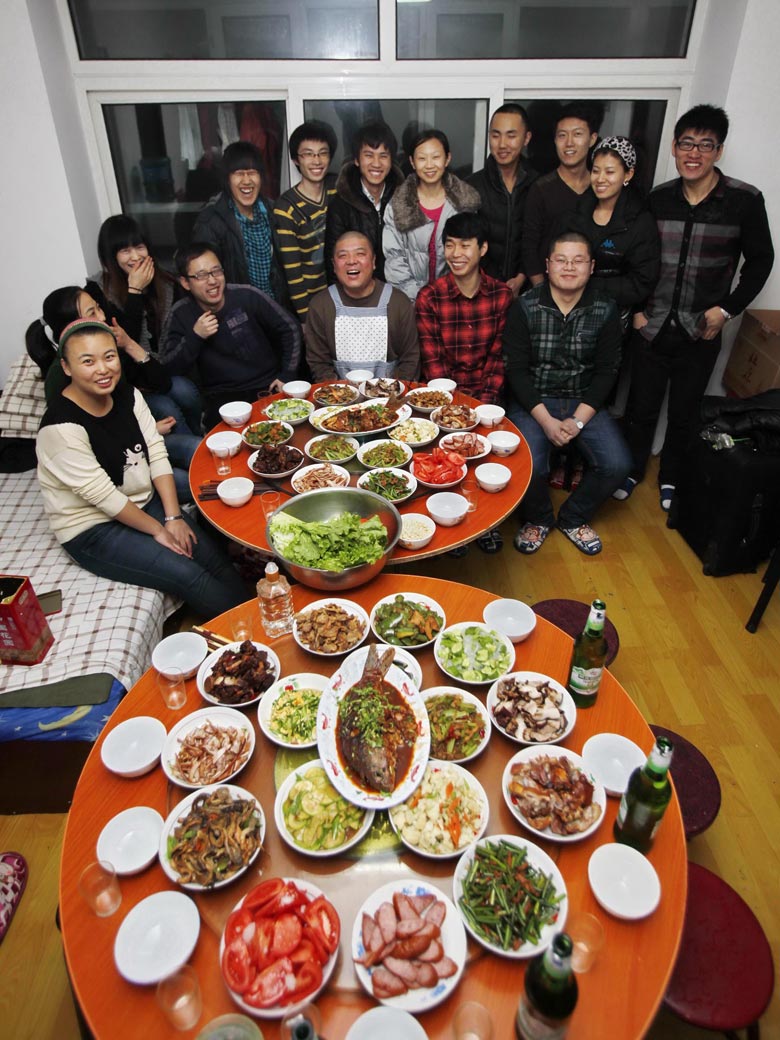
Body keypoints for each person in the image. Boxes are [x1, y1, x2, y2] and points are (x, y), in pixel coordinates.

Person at [36, 319, 247, 618]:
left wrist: (174, 517)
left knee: (212, 557)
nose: (102, 369)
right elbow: (105, 498)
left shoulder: (128, 394)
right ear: (67, 367)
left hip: (142, 502)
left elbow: (156, 452)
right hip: (93, 528)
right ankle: (251, 638)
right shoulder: (60, 428)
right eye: (88, 361)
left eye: (109, 357)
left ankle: (262, 621)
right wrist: (158, 530)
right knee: (187, 573)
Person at [620, 104, 774, 511]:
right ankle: (633, 470)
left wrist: (726, 310)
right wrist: (637, 309)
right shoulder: (658, 199)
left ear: (718, 151)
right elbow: (638, 257)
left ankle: (671, 477)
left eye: (705, 145)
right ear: (674, 146)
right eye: (687, 143)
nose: (694, 153)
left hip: (700, 328)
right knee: (640, 408)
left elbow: (761, 261)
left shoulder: (743, 201)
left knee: (686, 411)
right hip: (651, 325)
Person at [504, 232, 631, 556]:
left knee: (617, 464)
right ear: (548, 265)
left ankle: (574, 517)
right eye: (561, 260)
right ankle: (538, 519)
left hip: (583, 400)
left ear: (591, 267)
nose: (569, 267)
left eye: (578, 261)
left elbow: (607, 372)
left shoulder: (605, 309)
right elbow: (516, 371)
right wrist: (547, 421)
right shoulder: (525, 306)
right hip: (535, 401)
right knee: (526, 463)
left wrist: (577, 421)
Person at [29, 286, 200, 504]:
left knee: (199, 449)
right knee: (191, 481)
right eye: (92, 313)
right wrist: (150, 433)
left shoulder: (108, 351)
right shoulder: (59, 381)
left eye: (98, 308)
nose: (102, 316)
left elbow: (155, 385)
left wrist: (128, 344)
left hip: (137, 443)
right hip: (116, 465)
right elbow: (91, 443)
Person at [416, 211, 514, 555]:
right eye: (450, 245)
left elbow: (500, 358)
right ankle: (449, 517)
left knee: (487, 455)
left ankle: (485, 523)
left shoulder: (501, 295)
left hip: (487, 399)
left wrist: (480, 410)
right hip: (443, 402)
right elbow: (434, 365)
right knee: (444, 460)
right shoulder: (430, 297)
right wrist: (452, 414)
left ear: (483, 248)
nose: (456, 253)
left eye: (465, 245)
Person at [161, 243, 301, 429]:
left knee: (284, 434)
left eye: (216, 271)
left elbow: (290, 328)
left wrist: (287, 374)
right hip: (222, 398)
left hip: (267, 386)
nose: (212, 281)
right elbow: (166, 366)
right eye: (202, 275)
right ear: (186, 282)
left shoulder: (246, 295)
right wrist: (195, 336)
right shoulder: (181, 313)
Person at [93, 215, 202, 437]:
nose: (135, 256)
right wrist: (134, 292)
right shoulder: (98, 292)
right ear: (110, 256)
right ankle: (191, 454)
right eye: (125, 251)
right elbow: (120, 343)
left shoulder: (167, 284)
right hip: (130, 381)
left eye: (139, 247)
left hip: (163, 371)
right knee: (167, 409)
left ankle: (199, 437)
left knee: (187, 392)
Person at [567, 136, 660, 325]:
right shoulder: (578, 211)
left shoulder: (640, 222)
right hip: (571, 309)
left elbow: (642, 280)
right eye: (595, 171)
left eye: (609, 172)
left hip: (613, 316)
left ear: (628, 175)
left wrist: (587, 285)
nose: (600, 179)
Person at [305, 231, 420, 382]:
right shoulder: (320, 305)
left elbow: (411, 359)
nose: (351, 261)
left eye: (360, 254)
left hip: (389, 397)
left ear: (373, 262)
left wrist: (393, 394)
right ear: (334, 265)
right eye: (343, 255)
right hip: (339, 399)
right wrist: (339, 396)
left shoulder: (398, 302)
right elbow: (318, 364)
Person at [382, 129, 481, 301]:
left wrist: (448, 297)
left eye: (436, 157)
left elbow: (470, 257)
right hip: (410, 302)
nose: (429, 165)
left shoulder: (465, 204)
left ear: (447, 158)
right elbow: (394, 261)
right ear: (412, 162)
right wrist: (423, 299)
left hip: (455, 301)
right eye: (422, 158)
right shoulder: (398, 205)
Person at [192, 140, 285, 300]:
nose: (247, 180)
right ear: (227, 179)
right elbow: (204, 279)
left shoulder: (273, 211)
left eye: (252, 172)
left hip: (274, 308)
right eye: (239, 173)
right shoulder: (211, 221)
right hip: (237, 313)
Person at [522, 103, 600, 287]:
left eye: (578, 134)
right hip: (548, 290)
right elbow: (529, 247)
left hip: (593, 292)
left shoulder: (601, 188)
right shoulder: (541, 189)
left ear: (592, 139)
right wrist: (542, 291)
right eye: (562, 135)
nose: (569, 142)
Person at [467, 103, 538, 297]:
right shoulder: (472, 186)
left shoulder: (538, 185)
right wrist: (495, 283)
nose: (502, 144)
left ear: (526, 138)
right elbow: (468, 242)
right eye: (495, 135)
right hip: (481, 290)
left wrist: (522, 277)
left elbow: (539, 239)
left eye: (511, 135)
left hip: (526, 290)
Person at [324, 120, 405, 283]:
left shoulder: (404, 199)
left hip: (397, 294)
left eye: (383, 156)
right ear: (356, 160)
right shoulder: (340, 205)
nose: (376, 163)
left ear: (391, 161)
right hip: (356, 295)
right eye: (369, 155)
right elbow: (334, 262)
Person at [273, 121, 338, 321]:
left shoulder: (338, 190)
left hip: (342, 297)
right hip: (312, 304)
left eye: (323, 153)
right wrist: (306, 318)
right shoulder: (286, 208)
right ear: (295, 160)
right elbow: (293, 273)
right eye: (308, 154)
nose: (316, 161)